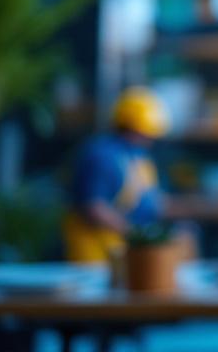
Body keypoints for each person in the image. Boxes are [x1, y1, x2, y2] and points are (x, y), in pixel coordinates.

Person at [63, 86, 170, 263]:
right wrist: (138, 234)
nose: (149, 141)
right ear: (130, 128)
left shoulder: (137, 157)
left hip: (124, 250)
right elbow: (94, 208)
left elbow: (152, 201)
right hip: (95, 252)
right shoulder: (102, 155)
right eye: (146, 134)